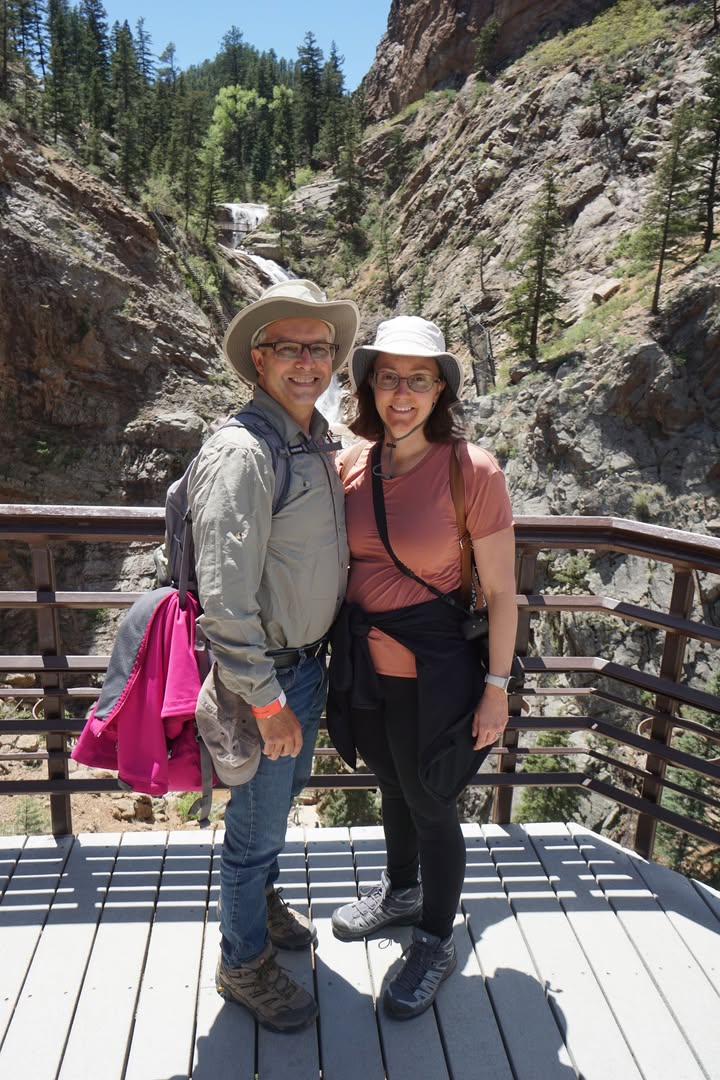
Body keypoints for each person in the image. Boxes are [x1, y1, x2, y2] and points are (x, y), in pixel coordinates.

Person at [326, 315, 518, 1020]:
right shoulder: (354, 465)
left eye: (419, 379)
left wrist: (496, 689)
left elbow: (501, 593)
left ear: (441, 390)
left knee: (433, 804)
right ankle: (401, 891)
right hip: (366, 670)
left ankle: (435, 937)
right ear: (369, 384)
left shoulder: (472, 470)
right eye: (388, 377)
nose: (401, 393)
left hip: (436, 676)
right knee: (394, 787)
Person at [187, 279, 359, 1033]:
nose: (305, 361)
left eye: (318, 347)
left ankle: (260, 906)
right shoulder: (243, 452)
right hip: (266, 676)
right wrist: (263, 699)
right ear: (258, 359)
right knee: (254, 834)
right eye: (287, 347)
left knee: (274, 815)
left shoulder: (309, 438)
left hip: (304, 665)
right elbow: (225, 603)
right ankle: (242, 964)